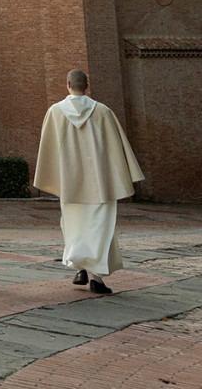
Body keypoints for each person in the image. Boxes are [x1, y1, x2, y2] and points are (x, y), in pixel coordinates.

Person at [33, 68, 145, 296]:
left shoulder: (55, 112)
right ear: (87, 85)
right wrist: (119, 178)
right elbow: (115, 149)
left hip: (70, 183)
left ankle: (80, 269)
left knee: (74, 227)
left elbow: (49, 150)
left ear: (67, 84)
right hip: (99, 183)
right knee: (100, 230)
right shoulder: (103, 112)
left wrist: (56, 178)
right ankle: (96, 278)